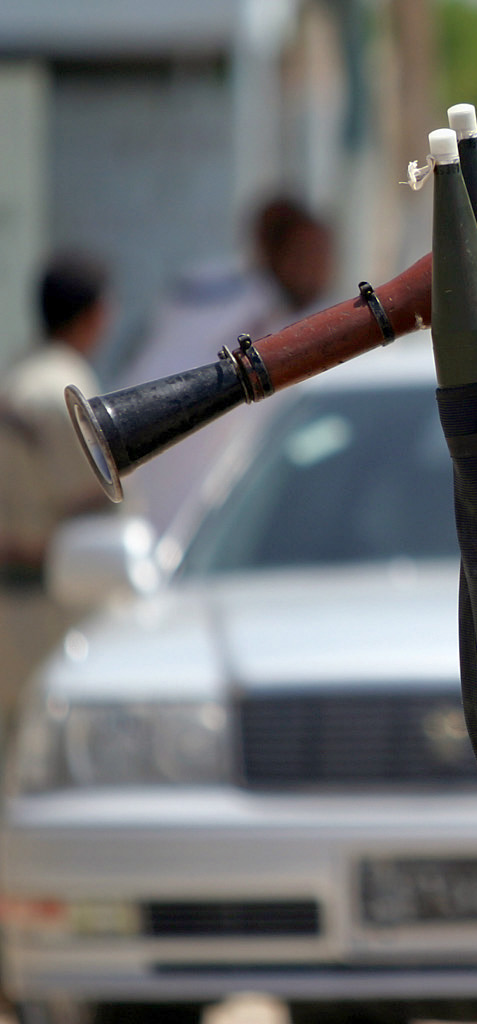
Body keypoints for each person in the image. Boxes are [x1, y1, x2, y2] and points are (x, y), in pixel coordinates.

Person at [119, 195, 335, 529]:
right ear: (273, 255)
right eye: (305, 253)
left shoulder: (329, 322)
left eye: (324, 253)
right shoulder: (225, 307)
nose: (319, 266)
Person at [0, 253, 114, 722]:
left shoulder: (19, 374)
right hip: (50, 612)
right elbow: (98, 518)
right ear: (97, 315)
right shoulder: (62, 388)